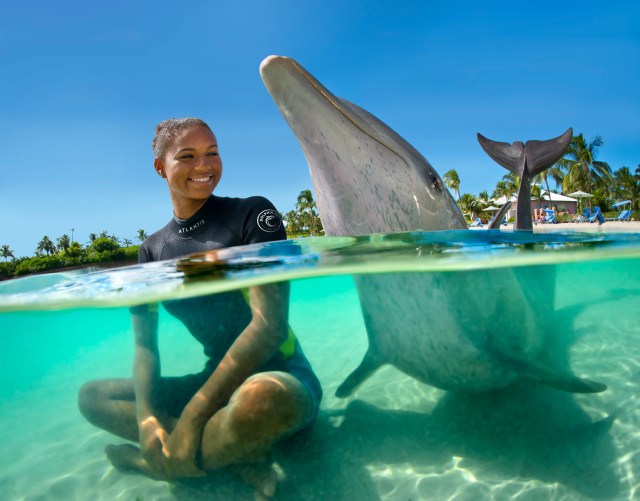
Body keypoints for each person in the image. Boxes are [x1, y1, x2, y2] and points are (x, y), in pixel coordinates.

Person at [78, 118, 322, 497]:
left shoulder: (253, 216)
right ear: (161, 167)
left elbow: (269, 327)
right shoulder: (152, 252)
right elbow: (145, 348)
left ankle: (169, 462)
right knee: (93, 397)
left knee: (265, 396)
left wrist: (193, 417)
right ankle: (233, 453)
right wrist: (146, 422)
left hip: (279, 374)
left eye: (213, 153)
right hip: (213, 381)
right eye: (188, 156)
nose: (204, 166)